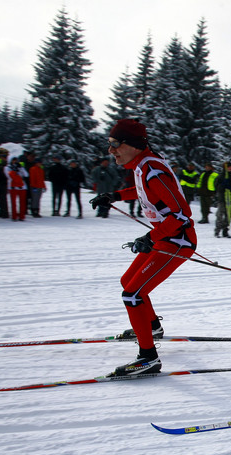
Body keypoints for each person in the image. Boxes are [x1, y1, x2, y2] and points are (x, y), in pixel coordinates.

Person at [89, 118, 197, 377]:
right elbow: (143, 192)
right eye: (109, 144)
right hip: (164, 237)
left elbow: (182, 214)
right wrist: (114, 195)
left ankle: (148, 358)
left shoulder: (152, 170)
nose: (111, 150)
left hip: (176, 240)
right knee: (128, 282)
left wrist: (151, 235)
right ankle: (152, 327)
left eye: (115, 144)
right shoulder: (143, 165)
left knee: (133, 295)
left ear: (134, 145)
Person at [213, 161, 231, 238]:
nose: (230, 168)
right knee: (220, 215)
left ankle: (225, 231)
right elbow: (216, 187)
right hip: (222, 199)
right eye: (228, 167)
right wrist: (222, 187)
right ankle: (217, 231)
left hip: (230, 199)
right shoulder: (220, 177)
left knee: (228, 215)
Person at [25, 152, 45, 217]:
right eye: (39, 163)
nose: (40, 164)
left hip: (40, 186)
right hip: (35, 187)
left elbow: (42, 179)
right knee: (34, 199)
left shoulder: (41, 170)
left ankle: (37, 210)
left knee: (38, 199)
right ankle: (34, 211)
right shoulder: (32, 169)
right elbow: (32, 178)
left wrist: (44, 186)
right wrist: (33, 186)